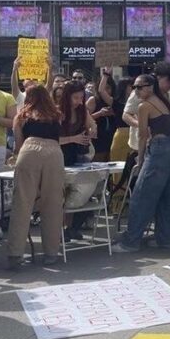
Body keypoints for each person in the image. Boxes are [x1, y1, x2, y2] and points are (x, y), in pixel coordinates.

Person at [115, 75, 170, 253]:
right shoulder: (165, 101)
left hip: (159, 149)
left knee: (141, 196)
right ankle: (165, 239)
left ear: (150, 87)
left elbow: (142, 135)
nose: (135, 90)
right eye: (134, 87)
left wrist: (141, 158)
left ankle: (130, 241)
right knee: (169, 197)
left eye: (139, 87)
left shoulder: (145, 105)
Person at [6, 85, 65, 268]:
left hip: (29, 149)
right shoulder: (56, 115)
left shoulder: (22, 116)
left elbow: (18, 145)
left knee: (22, 203)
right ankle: (51, 253)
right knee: (53, 203)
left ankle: (15, 254)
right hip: (54, 153)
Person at [58, 80, 96, 241]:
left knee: (83, 190)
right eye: (75, 98)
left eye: (81, 97)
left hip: (77, 154)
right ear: (67, 97)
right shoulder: (58, 111)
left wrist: (91, 131)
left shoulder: (82, 109)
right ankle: (60, 229)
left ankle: (72, 227)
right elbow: (52, 139)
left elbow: (92, 125)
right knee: (61, 193)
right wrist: (74, 138)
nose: (79, 101)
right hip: (60, 153)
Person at [87, 69, 116, 162]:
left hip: (112, 139)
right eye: (105, 88)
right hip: (98, 140)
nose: (106, 91)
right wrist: (99, 114)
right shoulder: (93, 100)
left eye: (109, 88)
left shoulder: (114, 101)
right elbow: (84, 119)